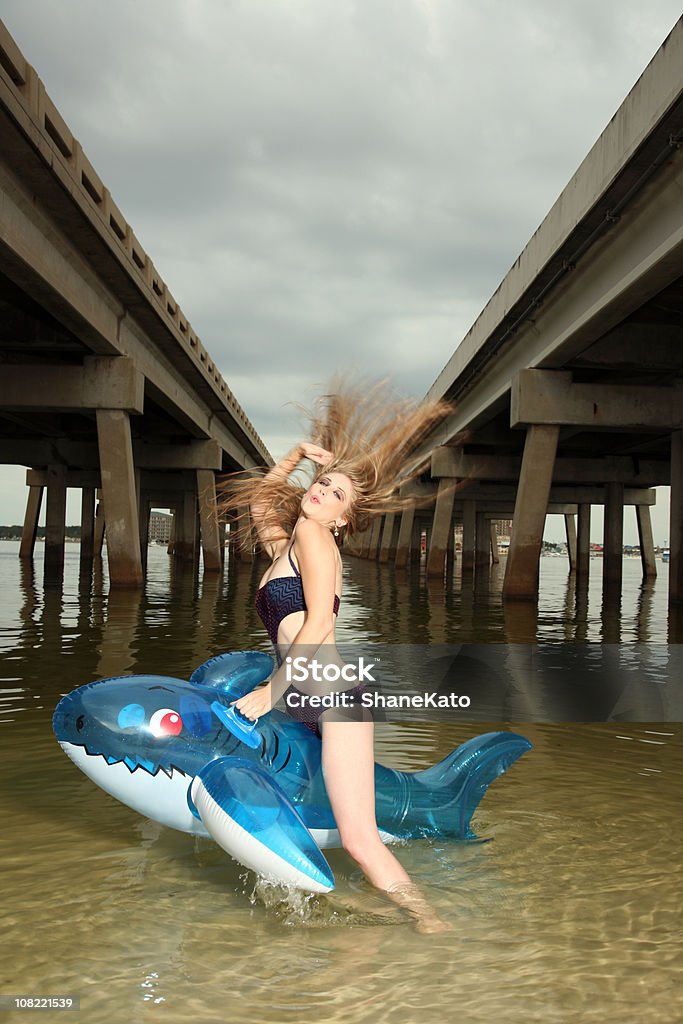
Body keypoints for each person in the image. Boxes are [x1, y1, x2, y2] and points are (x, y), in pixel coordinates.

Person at [220, 380, 454, 932]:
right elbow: (259, 502)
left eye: (336, 495)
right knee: (338, 822)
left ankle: (433, 925)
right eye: (321, 484)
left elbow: (322, 621)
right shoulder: (290, 543)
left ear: (344, 519)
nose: (321, 493)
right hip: (312, 696)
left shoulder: (316, 538)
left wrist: (268, 692)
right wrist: (297, 455)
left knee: (359, 839)